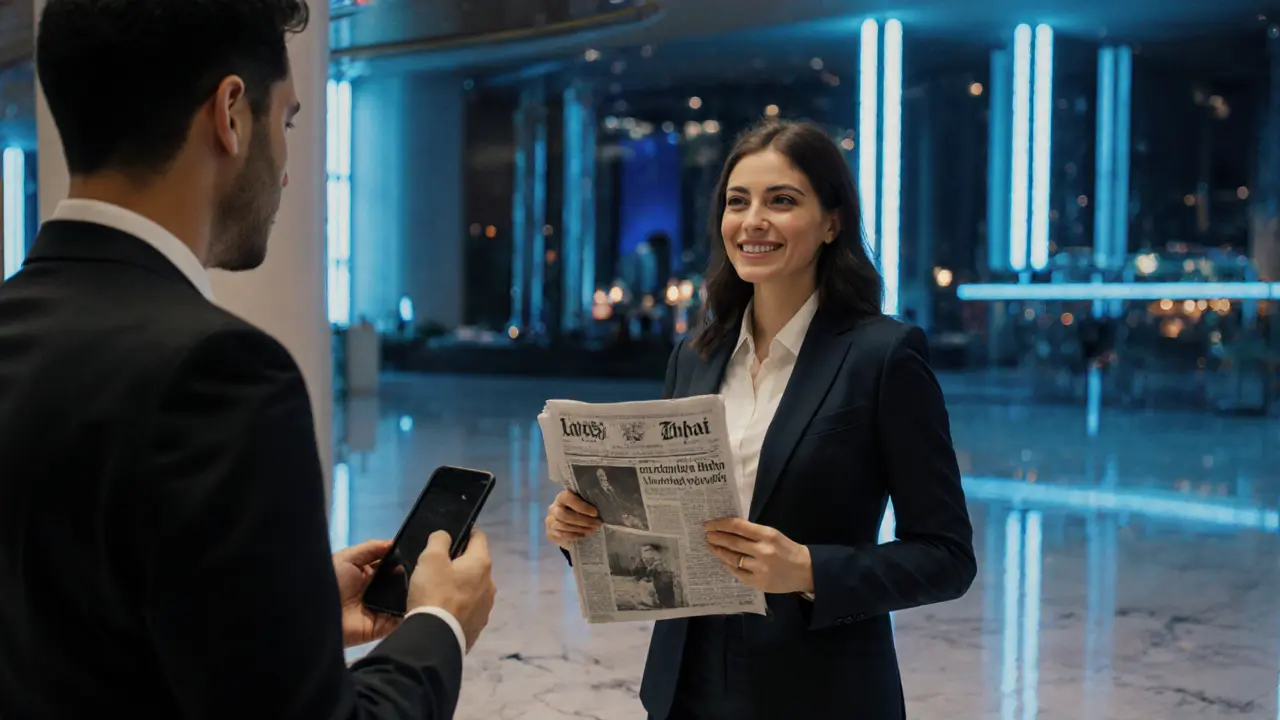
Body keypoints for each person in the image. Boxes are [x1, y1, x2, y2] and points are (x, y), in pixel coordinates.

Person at [0, 2, 495, 718]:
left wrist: (286, 607)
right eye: (287, 121)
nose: (289, 169)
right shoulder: (218, 373)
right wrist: (438, 626)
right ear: (231, 113)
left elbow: (77, 623)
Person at [546, 120, 976, 719]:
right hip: (686, 687)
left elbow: (946, 557)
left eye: (782, 200)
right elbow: (660, 538)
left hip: (820, 693)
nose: (753, 221)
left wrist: (806, 569)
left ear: (832, 221)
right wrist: (586, 529)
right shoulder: (694, 356)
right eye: (737, 201)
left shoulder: (883, 357)